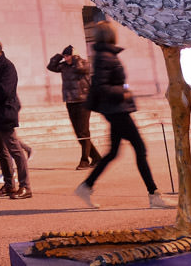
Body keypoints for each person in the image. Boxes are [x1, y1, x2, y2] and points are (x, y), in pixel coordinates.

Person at [75, 22, 174, 208]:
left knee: (113, 153)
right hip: (117, 110)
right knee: (140, 149)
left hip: (115, 110)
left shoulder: (105, 55)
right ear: (110, 35)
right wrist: (124, 93)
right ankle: (154, 194)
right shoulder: (105, 57)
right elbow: (101, 87)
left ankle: (86, 186)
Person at [0, 36, 32, 199]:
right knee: (0, 152)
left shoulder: (7, 67)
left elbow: (4, 92)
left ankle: (25, 186)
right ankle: (9, 185)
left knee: (15, 150)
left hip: (3, 114)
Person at [47, 44, 102, 169]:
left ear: (74, 55)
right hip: (70, 101)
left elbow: (81, 69)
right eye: (65, 56)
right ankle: (97, 158)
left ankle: (84, 160)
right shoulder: (64, 67)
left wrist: (76, 58)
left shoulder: (83, 63)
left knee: (84, 132)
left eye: (68, 56)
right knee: (79, 133)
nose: (66, 58)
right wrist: (58, 56)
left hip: (83, 101)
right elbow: (51, 67)